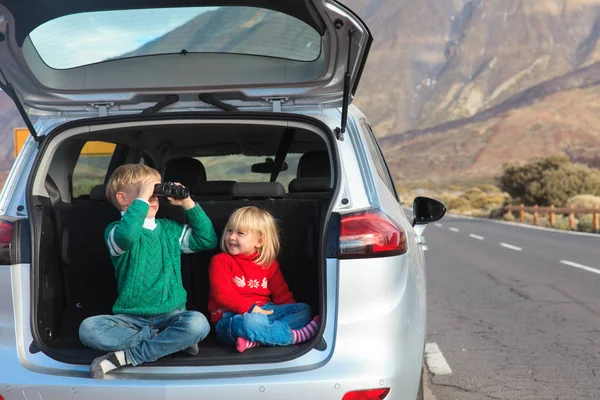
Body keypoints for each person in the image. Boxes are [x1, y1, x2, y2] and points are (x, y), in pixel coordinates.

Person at [78, 164, 218, 378]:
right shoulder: (115, 231)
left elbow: (207, 240)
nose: (153, 197)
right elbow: (128, 236)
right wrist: (143, 198)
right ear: (123, 199)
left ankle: (126, 357)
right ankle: (171, 341)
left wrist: (188, 204)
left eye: (156, 193)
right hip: (131, 319)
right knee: (88, 329)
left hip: (173, 315)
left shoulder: (170, 230)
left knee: (198, 323)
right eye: (147, 192)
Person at [208, 206, 319, 353]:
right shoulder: (221, 260)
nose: (232, 237)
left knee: (303, 309)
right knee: (250, 322)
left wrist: (288, 311)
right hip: (232, 317)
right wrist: (252, 309)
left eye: (240, 233)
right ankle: (295, 336)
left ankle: (257, 339)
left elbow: (282, 295)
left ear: (259, 242)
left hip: (266, 312)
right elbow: (222, 294)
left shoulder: (268, 264)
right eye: (229, 230)